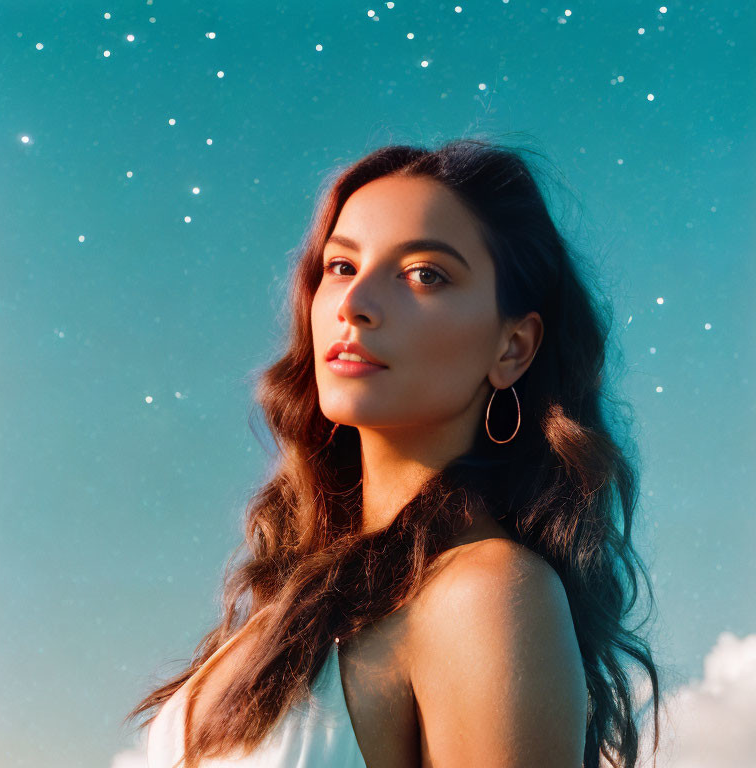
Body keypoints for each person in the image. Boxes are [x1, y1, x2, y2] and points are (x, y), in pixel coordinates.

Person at [125, 138, 661, 768]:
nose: (354, 305)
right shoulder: (292, 600)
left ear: (512, 347)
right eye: (341, 267)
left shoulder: (486, 591)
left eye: (424, 274)